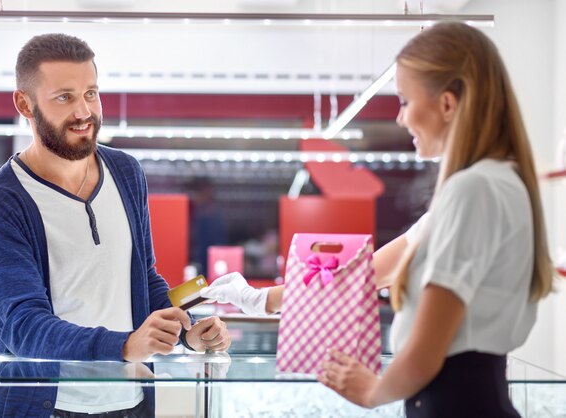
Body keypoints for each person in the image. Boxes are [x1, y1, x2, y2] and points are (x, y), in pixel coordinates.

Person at [200, 22, 555, 417]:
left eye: (404, 101)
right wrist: (257, 299)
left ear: (448, 104)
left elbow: (427, 349)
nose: (400, 118)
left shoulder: (473, 190)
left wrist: (374, 392)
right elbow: (363, 275)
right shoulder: (494, 183)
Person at [0, 33, 230, 418]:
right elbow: (22, 327)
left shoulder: (126, 173)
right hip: (44, 407)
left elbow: (143, 279)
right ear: (24, 103)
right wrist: (125, 346)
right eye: (64, 97)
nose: (83, 112)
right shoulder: (1, 200)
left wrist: (187, 331)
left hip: (130, 404)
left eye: (91, 93)